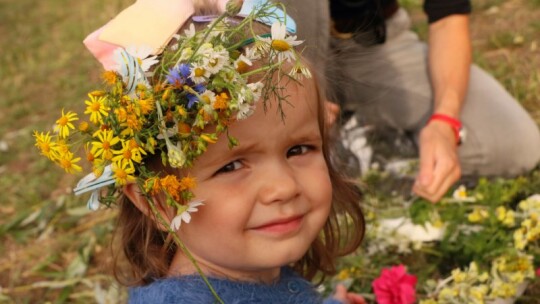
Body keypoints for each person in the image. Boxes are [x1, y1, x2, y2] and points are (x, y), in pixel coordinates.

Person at [34, 0, 366, 303]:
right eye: (233, 166)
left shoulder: (245, 269)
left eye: (298, 149)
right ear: (160, 200)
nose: (284, 187)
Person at [281, 0, 540, 203]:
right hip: (275, 51)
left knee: (515, 144)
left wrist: (444, 121)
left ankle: (363, 150)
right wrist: (294, 93)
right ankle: (319, 155)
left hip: (371, 42)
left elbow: (447, 20)